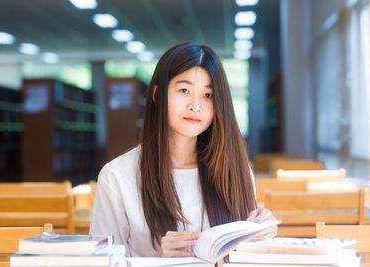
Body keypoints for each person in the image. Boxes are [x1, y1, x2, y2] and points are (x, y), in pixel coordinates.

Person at [90, 43, 277, 257]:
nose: (195, 105)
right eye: (184, 90)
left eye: (208, 95)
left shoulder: (236, 171)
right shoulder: (116, 176)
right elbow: (102, 262)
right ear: (156, 94)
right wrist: (158, 259)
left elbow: (244, 257)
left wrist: (260, 232)